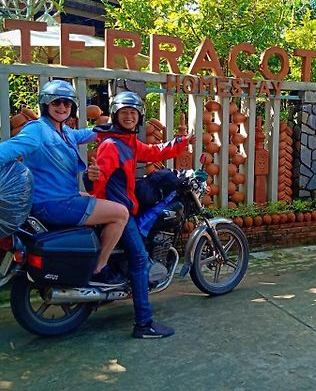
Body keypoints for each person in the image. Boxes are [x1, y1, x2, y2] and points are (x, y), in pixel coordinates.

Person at [0, 80, 129, 285]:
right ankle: (99, 268)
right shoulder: (37, 130)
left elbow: (85, 134)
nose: (62, 107)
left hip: (61, 197)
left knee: (92, 197)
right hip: (53, 204)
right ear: (46, 106)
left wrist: (117, 126)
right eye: (56, 103)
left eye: (67, 104)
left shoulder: (64, 131)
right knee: (121, 213)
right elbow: (6, 151)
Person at [89, 91, 196, 339]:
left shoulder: (128, 143)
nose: (129, 117)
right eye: (124, 113)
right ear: (116, 115)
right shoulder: (111, 145)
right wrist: (92, 177)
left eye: (133, 113)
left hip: (124, 208)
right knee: (139, 260)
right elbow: (99, 181)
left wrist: (181, 143)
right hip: (118, 212)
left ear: (139, 117)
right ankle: (143, 324)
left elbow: (154, 151)